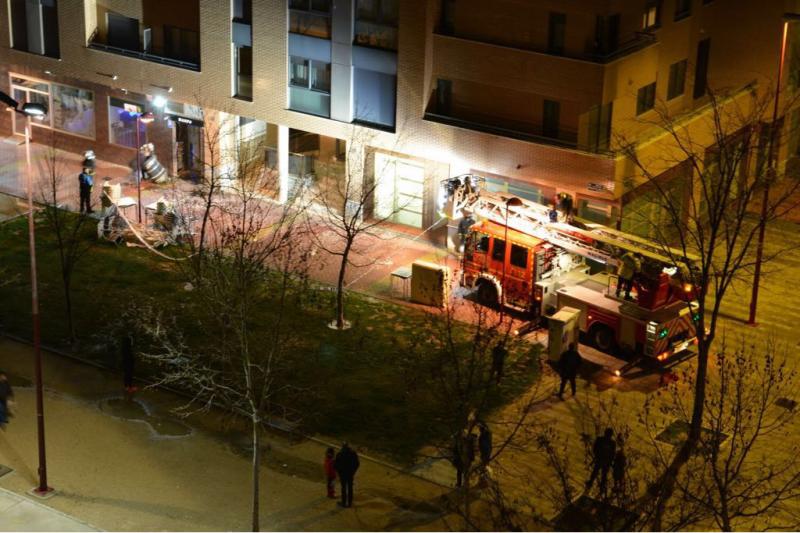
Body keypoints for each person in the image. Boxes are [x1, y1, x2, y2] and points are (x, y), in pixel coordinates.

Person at [586, 428, 616, 497]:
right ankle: (595, 485)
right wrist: (598, 456)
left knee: (601, 474)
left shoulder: (610, 442)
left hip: (604, 461)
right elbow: (595, 449)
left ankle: (599, 487)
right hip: (601, 460)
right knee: (597, 473)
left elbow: (612, 454)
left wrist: (609, 461)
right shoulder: (604, 440)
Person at [334, 442, 360, 508]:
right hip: (350, 474)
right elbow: (357, 464)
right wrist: (353, 472)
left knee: (343, 488)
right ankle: (349, 503)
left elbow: (336, 465)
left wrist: (339, 472)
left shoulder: (340, 454)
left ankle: (344, 502)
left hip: (343, 474)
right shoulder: (353, 454)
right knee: (350, 488)